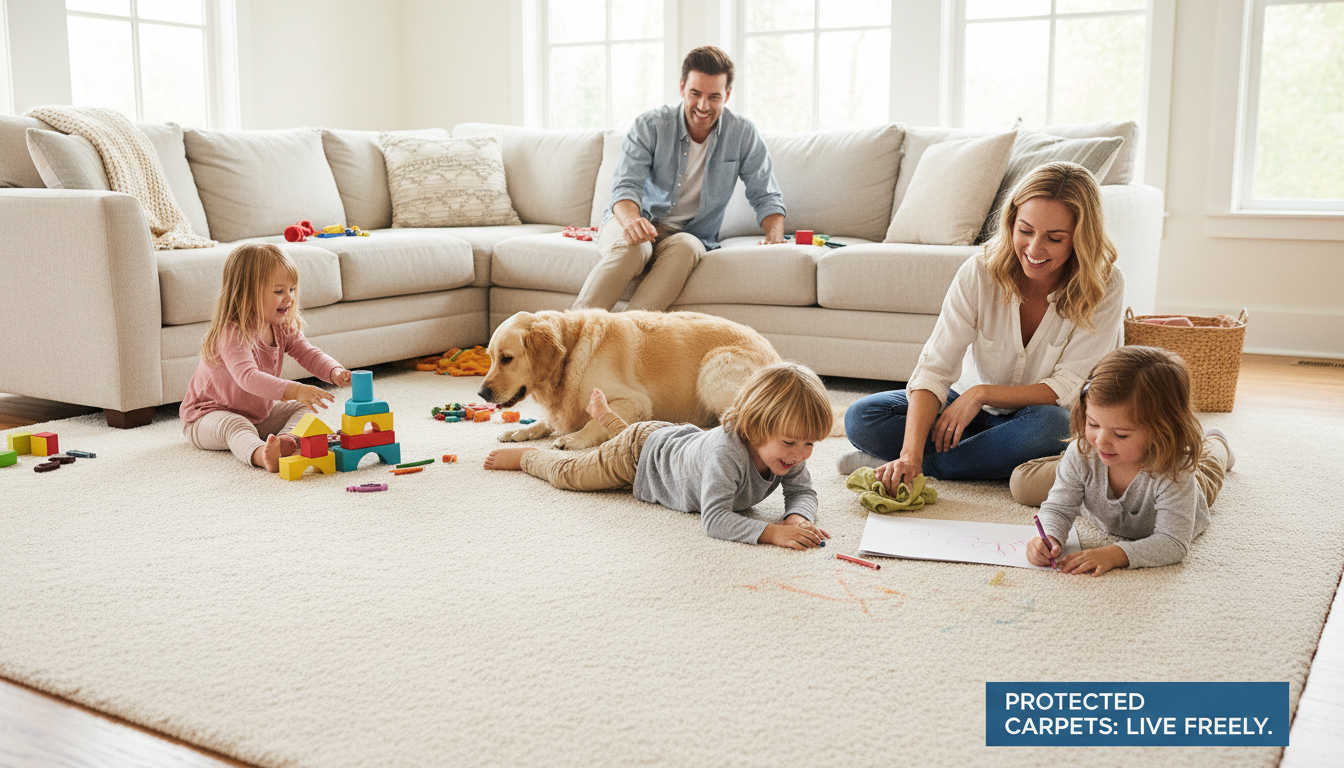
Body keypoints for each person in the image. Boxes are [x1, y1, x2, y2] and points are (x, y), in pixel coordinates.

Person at [838, 161, 1126, 492]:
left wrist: (981, 393)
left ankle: (914, 466)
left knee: (1052, 428)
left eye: (1054, 238)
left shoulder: (1105, 284)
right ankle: (965, 459)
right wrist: (909, 452)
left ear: (1080, 238)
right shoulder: (980, 271)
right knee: (862, 416)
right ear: (1011, 222)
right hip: (971, 414)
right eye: (1025, 230)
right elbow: (936, 367)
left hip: (1036, 418)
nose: (1034, 249)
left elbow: (1069, 385)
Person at [483, 362, 832, 550]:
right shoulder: (728, 455)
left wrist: (798, 518)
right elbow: (715, 520)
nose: (800, 455)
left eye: (810, 444)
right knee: (572, 475)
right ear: (755, 427)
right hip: (637, 458)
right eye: (790, 443)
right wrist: (772, 532)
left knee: (640, 438)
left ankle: (604, 416)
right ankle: (528, 457)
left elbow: (802, 492)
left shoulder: (790, 454)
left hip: (670, 441)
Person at [573, 45, 788, 313]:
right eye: (695, 94)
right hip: (637, 220)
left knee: (688, 246)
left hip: (689, 234)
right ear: (682, 88)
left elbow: (766, 194)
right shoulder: (650, 126)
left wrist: (775, 236)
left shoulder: (742, 133)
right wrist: (632, 222)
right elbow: (625, 187)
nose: (703, 106)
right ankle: (573, 331)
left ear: (728, 95)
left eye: (714, 97)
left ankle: (629, 334)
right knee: (635, 249)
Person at [1025, 346, 1234, 576]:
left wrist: (1114, 554)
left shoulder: (1176, 470)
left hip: (1184, 484)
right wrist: (1048, 537)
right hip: (1107, 496)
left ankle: (1216, 441)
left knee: (1208, 469)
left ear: (1161, 430)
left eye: (1121, 434)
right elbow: (1058, 508)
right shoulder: (1083, 450)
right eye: (1093, 424)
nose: (1101, 441)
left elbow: (1173, 543)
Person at [180, 243, 353, 471]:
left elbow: (308, 353)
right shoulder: (233, 331)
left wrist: (335, 371)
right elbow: (248, 377)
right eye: (279, 291)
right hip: (207, 416)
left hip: (259, 414)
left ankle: (285, 442)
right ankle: (261, 454)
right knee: (237, 425)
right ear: (247, 294)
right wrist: (295, 389)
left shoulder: (281, 326)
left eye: (291, 289)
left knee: (306, 407)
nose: (289, 298)